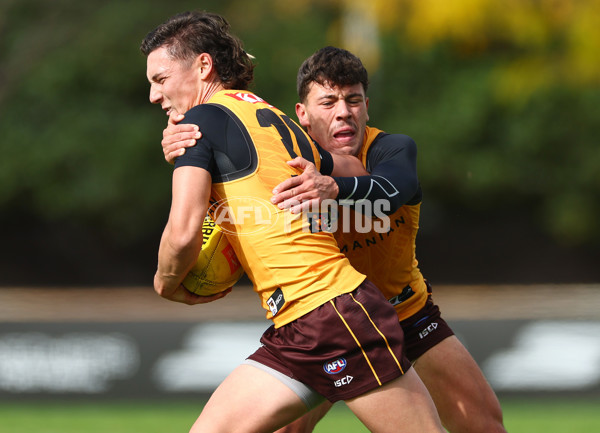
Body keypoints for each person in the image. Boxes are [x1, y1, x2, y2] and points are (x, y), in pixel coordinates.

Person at [162, 46, 507, 433]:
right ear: (302, 115)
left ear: (367, 107)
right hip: (332, 318)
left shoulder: (390, 149)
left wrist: (333, 188)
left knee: (483, 423)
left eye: (353, 100)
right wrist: (186, 145)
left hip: (406, 314)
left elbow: (394, 187)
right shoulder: (283, 158)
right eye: (328, 101)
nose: (344, 111)